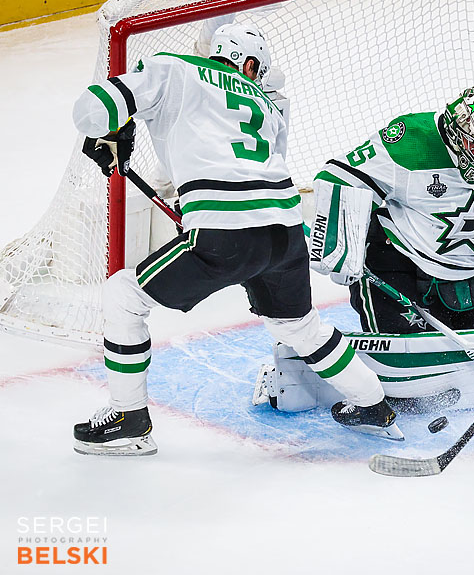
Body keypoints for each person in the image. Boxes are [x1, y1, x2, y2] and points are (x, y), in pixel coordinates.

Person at [71, 22, 402, 456]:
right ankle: (374, 405)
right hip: (285, 232)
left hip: (225, 233)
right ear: (248, 65)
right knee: (299, 326)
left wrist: (114, 128)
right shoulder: (268, 104)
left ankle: (128, 418)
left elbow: (91, 109)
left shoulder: (173, 68)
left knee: (122, 296)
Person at [311, 84, 474, 334]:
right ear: (455, 132)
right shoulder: (409, 142)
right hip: (403, 270)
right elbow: (339, 178)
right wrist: (340, 247)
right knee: (407, 346)